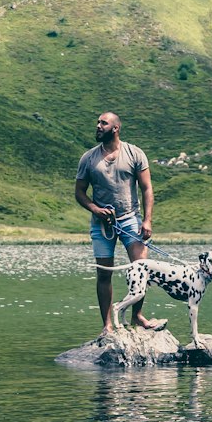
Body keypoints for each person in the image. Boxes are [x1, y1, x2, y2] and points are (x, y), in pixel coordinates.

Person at [75, 111, 164, 332]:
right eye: (97, 122)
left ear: (115, 128)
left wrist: (147, 220)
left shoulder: (135, 153)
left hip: (130, 220)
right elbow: (79, 192)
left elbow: (147, 188)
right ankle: (107, 325)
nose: (97, 126)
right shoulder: (88, 158)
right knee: (104, 273)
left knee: (141, 269)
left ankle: (137, 317)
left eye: (103, 123)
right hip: (101, 225)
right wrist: (95, 209)